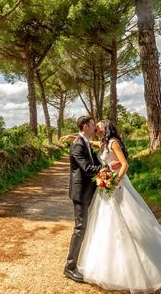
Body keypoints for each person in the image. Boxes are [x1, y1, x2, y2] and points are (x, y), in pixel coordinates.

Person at [77, 119, 161, 293]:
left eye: (99, 125)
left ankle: (149, 269)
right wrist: (73, 136)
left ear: (107, 127)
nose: (96, 127)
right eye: (94, 125)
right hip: (107, 186)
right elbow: (87, 140)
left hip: (117, 185)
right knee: (106, 223)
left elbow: (125, 164)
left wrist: (114, 181)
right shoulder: (104, 143)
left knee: (130, 221)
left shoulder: (113, 142)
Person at [64, 115, 103, 283]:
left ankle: (79, 262)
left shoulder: (85, 142)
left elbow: (96, 161)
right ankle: (69, 267)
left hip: (89, 190)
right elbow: (87, 169)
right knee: (80, 228)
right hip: (80, 192)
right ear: (86, 125)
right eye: (93, 123)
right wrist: (107, 168)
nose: (95, 126)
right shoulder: (77, 145)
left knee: (86, 227)